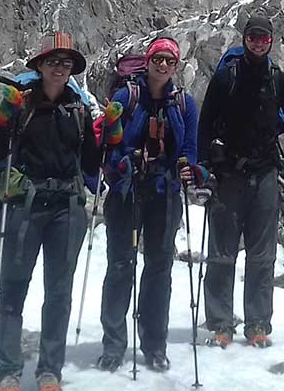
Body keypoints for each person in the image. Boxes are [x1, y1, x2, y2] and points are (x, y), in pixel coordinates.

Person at [0, 32, 101, 391]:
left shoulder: (78, 109)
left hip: (67, 207)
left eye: (66, 64)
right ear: (40, 65)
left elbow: (93, 162)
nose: (60, 69)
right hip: (26, 205)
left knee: (59, 291)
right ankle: (8, 368)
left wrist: (109, 133)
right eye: (54, 62)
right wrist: (3, 116)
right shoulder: (22, 104)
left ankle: (50, 370)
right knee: (13, 285)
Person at [199, 14, 284, 348]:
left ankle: (257, 323)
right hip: (229, 173)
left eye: (264, 38)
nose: (258, 43)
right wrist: (205, 167)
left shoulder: (278, 80)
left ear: (271, 41)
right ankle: (220, 323)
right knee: (222, 253)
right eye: (253, 38)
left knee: (261, 255)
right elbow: (204, 126)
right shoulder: (226, 77)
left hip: (265, 174)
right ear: (245, 39)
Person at [96, 36, 205, 372]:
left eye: (169, 61)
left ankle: (154, 344)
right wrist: (119, 163)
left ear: (175, 67)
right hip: (127, 192)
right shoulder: (126, 97)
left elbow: (190, 146)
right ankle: (114, 344)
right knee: (120, 265)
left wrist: (190, 166)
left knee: (159, 269)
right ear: (149, 61)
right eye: (158, 59)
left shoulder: (183, 104)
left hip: (164, 192)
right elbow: (109, 143)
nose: (163, 66)